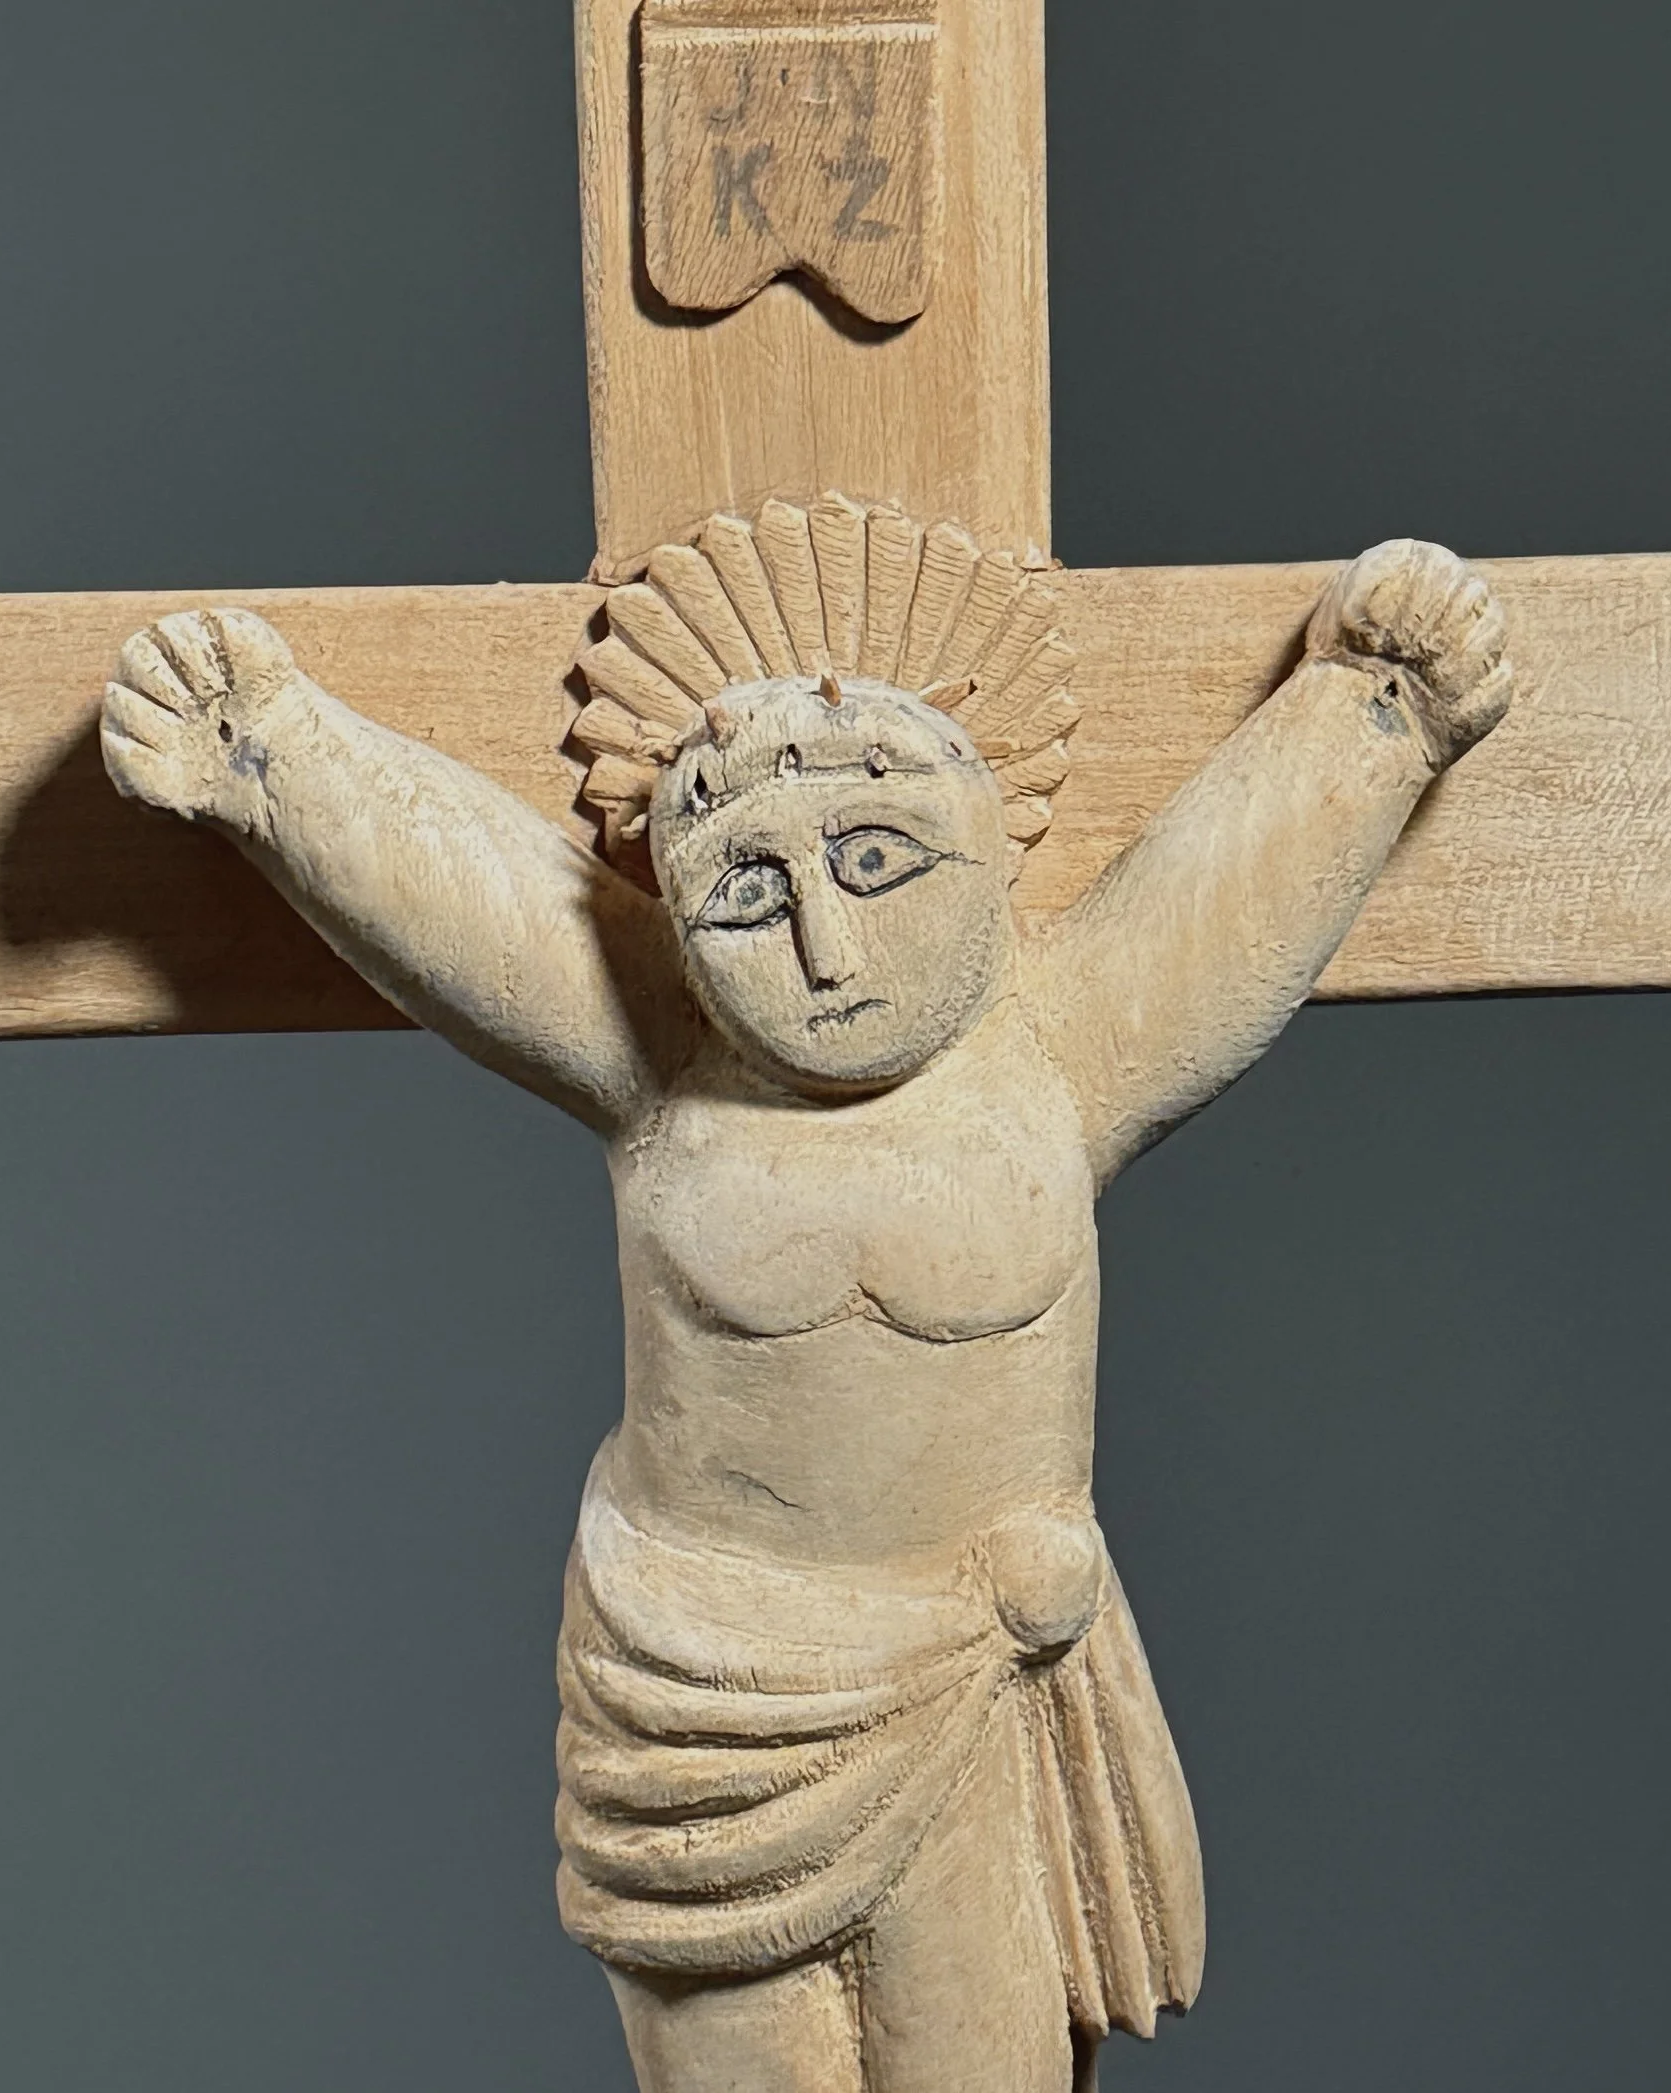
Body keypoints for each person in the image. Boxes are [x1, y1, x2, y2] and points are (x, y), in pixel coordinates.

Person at [100, 526, 1511, 2093]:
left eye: (879, 862)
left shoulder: (1066, 1049)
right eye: (751, 894)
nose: (825, 949)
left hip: (972, 1691)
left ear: (983, 846)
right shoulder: (663, 1053)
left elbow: (1233, 885)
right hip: (699, 1699)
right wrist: (272, 751)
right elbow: (481, 899)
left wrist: (1380, 715)